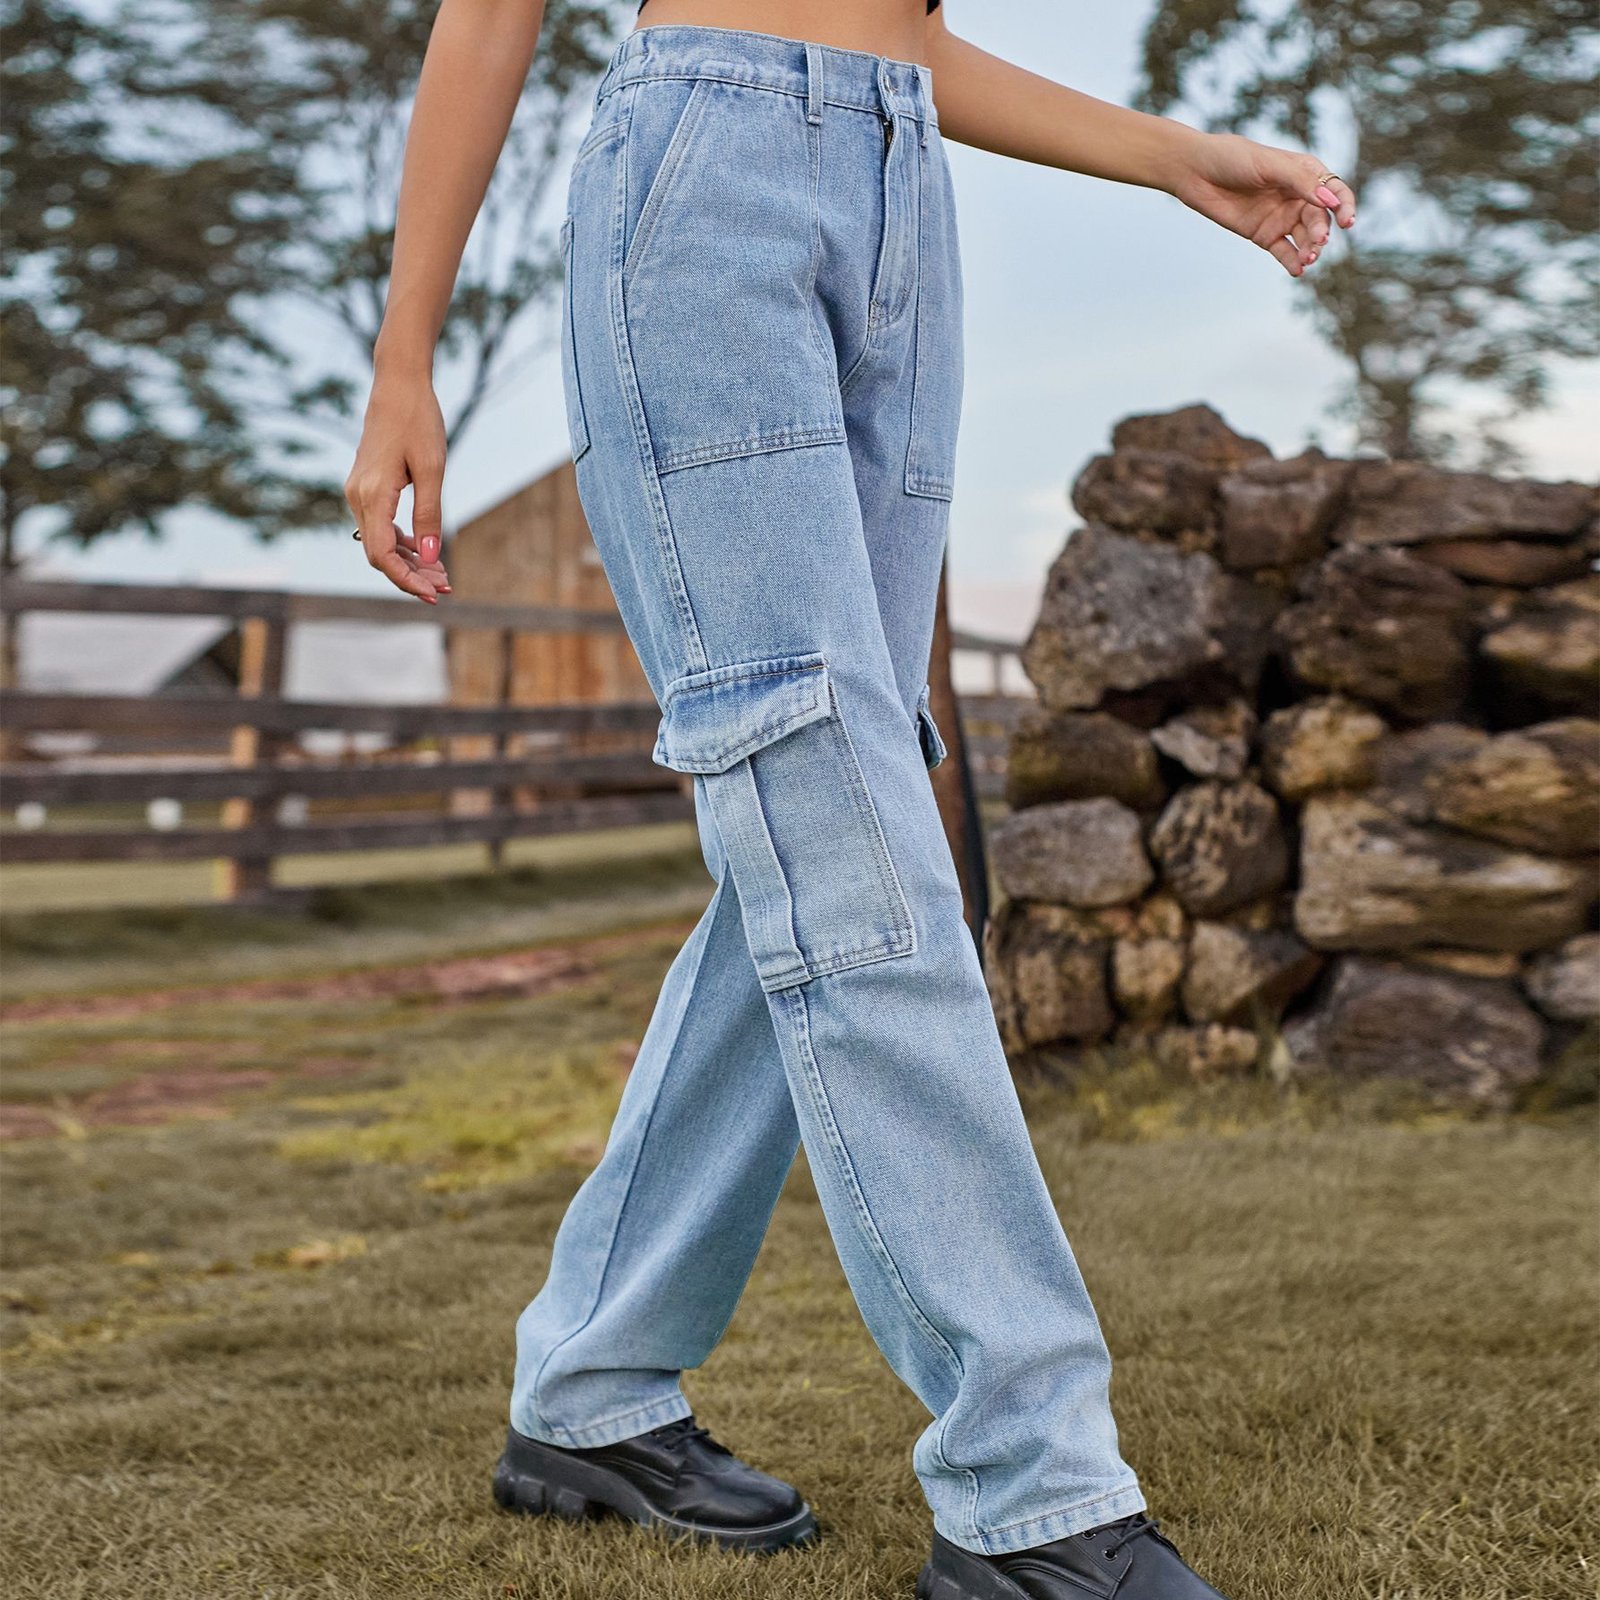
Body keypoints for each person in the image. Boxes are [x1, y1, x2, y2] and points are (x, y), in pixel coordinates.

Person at [345, 3, 1355, 1595]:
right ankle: (1034, 1490)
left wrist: (1170, 158)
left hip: (900, 183)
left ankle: (592, 1385)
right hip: (704, 180)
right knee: (840, 814)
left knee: (825, 821)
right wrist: (404, 360)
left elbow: (903, 37)